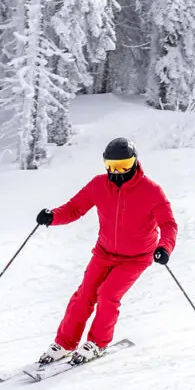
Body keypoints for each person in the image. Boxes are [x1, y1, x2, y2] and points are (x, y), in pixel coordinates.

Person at [35, 137, 178, 365]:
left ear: (134, 162)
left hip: (136, 258)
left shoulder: (151, 191)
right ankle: (65, 343)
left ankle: (97, 343)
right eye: (111, 166)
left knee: (108, 295)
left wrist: (165, 247)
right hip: (104, 253)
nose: (117, 171)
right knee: (84, 295)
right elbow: (74, 208)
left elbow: (168, 224)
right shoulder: (99, 185)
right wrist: (52, 217)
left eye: (123, 165)